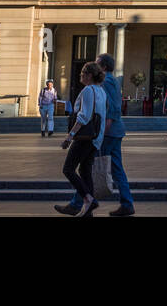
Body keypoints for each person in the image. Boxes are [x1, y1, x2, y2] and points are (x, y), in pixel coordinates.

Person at [55, 60, 107, 217]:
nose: (80, 75)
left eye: (83, 72)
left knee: (68, 169)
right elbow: (102, 116)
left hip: (84, 137)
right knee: (85, 171)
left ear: (89, 75)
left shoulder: (88, 90)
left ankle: (88, 198)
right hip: (95, 137)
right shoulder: (101, 91)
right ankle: (88, 210)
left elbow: (84, 116)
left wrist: (69, 136)